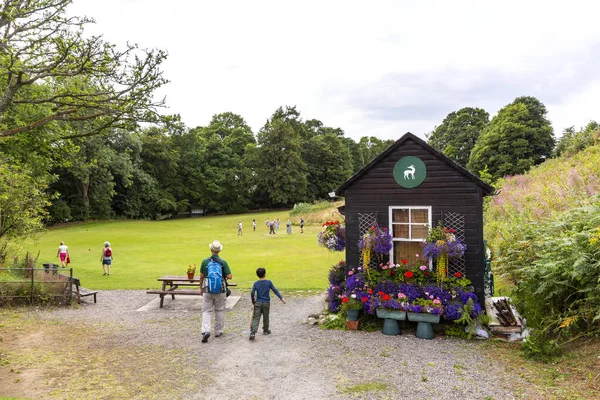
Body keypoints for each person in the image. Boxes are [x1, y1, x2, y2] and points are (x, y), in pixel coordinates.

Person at [199, 240, 232, 343]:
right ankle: (218, 330)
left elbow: (201, 276)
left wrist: (200, 288)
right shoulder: (223, 262)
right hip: (220, 289)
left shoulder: (205, 261)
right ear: (219, 251)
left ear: (211, 249)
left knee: (206, 310)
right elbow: (229, 276)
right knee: (219, 310)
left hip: (207, 288)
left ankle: (206, 330)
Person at [249, 267, 285, 340]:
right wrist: (281, 298)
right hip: (266, 302)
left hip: (258, 302)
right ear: (265, 274)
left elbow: (252, 292)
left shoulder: (256, 283)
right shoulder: (268, 282)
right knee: (266, 317)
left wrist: (253, 300)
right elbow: (275, 290)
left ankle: (253, 332)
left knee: (256, 317)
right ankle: (265, 330)